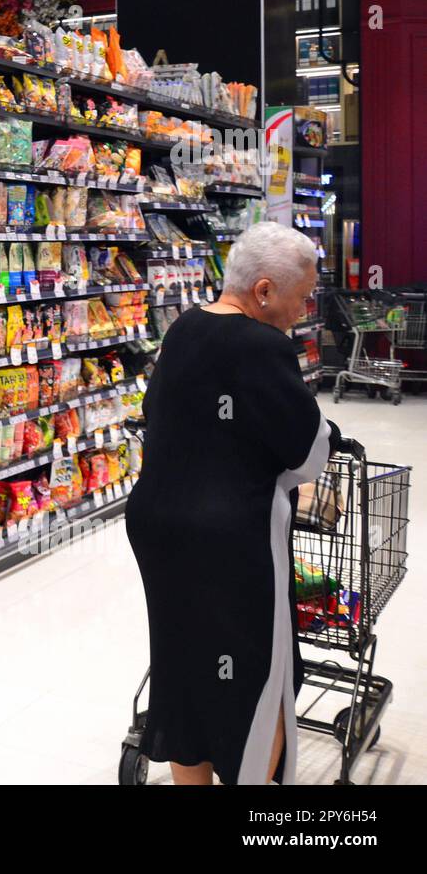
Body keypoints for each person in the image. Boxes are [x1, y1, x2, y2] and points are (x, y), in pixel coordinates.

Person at [126, 221, 340, 785]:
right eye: (302, 295)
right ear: (264, 290)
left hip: (159, 528)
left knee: (183, 670)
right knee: (262, 680)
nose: (306, 307)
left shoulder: (184, 327)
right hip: (230, 542)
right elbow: (308, 453)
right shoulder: (261, 346)